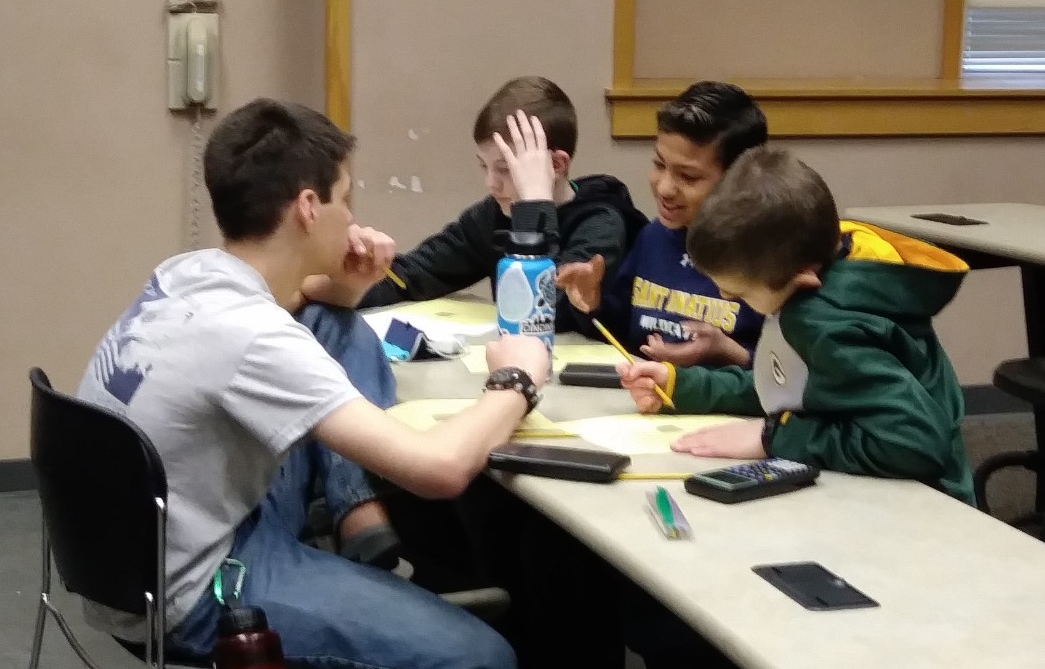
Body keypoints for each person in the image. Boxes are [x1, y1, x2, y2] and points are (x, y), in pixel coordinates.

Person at [76, 97, 552, 668]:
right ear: (307, 207)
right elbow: (440, 470)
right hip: (194, 589)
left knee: (335, 322)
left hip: (151, 544)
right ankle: (362, 541)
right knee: (481, 655)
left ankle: (360, 526)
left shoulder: (188, 273)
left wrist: (349, 286)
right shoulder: (251, 337)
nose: (352, 219)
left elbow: (309, 312)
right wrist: (517, 377)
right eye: (344, 200)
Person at [618, 145, 975, 669]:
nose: (730, 299)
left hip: (920, 521)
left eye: (738, 292)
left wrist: (771, 438)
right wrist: (682, 385)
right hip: (874, 497)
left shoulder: (822, 322)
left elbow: (911, 441)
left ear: (802, 278)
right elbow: (794, 382)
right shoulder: (817, 282)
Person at [357, 75, 648, 332]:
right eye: (485, 167)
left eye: (506, 169)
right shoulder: (494, 214)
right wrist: (345, 279)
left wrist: (534, 204)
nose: (491, 184)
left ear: (556, 165)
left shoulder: (601, 223)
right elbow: (413, 276)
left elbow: (543, 314)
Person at [556, 81, 765, 367]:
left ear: (740, 180)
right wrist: (593, 304)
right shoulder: (653, 237)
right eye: (659, 164)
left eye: (689, 177)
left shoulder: (770, 258)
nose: (665, 188)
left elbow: (795, 377)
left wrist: (729, 351)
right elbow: (620, 335)